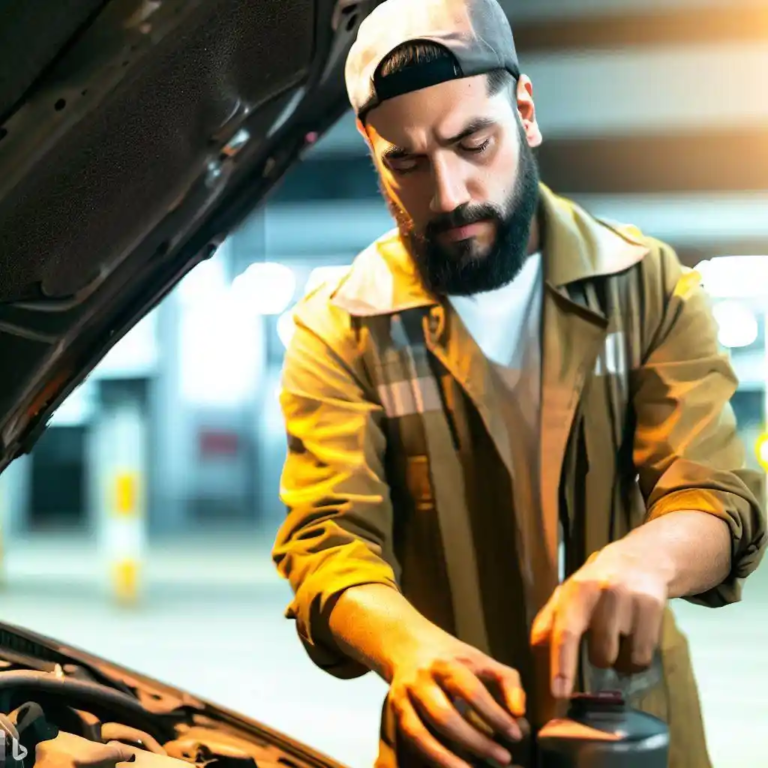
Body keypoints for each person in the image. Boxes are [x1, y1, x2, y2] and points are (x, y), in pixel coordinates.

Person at [271, 1, 767, 766]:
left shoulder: (648, 288)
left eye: (474, 141)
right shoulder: (341, 328)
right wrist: (407, 650)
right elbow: (327, 541)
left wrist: (645, 560)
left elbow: (718, 494)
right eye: (404, 161)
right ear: (371, 150)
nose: (448, 193)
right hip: (449, 740)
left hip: (636, 735)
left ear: (525, 112)